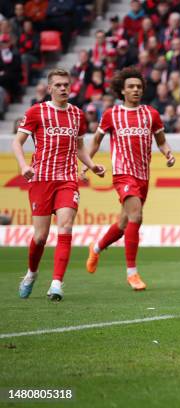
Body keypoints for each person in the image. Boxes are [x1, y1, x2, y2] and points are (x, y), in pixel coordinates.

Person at [13, 68, 106, 301]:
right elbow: (17, 141)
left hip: (67, 179)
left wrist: (92, 165)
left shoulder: (77, 114)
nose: (64, 88)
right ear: (49, 88)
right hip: (41, 180)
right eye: (59, 85)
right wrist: (24, 166)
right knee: (40, 237)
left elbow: (79, 147)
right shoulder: (37, 112)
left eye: (66, 84)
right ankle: (31, 274)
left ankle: (56, 283)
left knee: (65, 227)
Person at [83, 67, 176, 290]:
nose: (135, 90)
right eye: (131, 87)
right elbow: (95, 141)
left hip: (143, 175)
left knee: (124, 222)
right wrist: (87, 164)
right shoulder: (111, 115)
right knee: (136, 215)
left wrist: (168, 153)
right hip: (123, 173)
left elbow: (161, 141)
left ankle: (96, 248)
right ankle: (132, 273)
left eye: (138, 87)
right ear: (122, 91)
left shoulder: (151, 114)